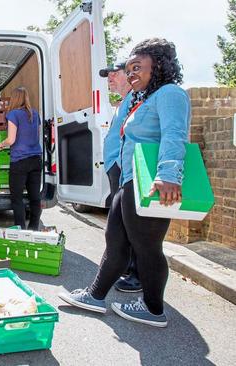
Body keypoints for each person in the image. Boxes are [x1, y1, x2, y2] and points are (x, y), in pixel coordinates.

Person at [59, 38, 190, 328]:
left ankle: (154, 309)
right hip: (130, 180)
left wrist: (168, 175)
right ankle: (95, 296)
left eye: (137, 67)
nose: (131, 74)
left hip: (150, 183)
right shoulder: (143, 98)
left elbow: (174, 134)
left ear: (159, 66)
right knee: (116, 241)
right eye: (129, 68)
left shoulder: (169, 94)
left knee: (147, 248)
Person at [100, 62, 142, 293]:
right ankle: (126, 267)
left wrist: (117, 162)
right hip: (116, 166)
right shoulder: (123, 102)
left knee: (130, 223)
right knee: (121, 223)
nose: (110, 79)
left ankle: (137, 274)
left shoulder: (135, 99)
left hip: (123, 166)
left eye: (114, 74)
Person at [0, 87, 42, 230]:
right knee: (35, 197)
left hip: (19, 161)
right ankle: (34, 227)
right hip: (36, 159)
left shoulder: (13, 114)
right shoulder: (35, 114)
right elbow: (36, 135)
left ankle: (20, 229)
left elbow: (11, 140)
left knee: (17, 198)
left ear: (14, 99)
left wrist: (2, 144)